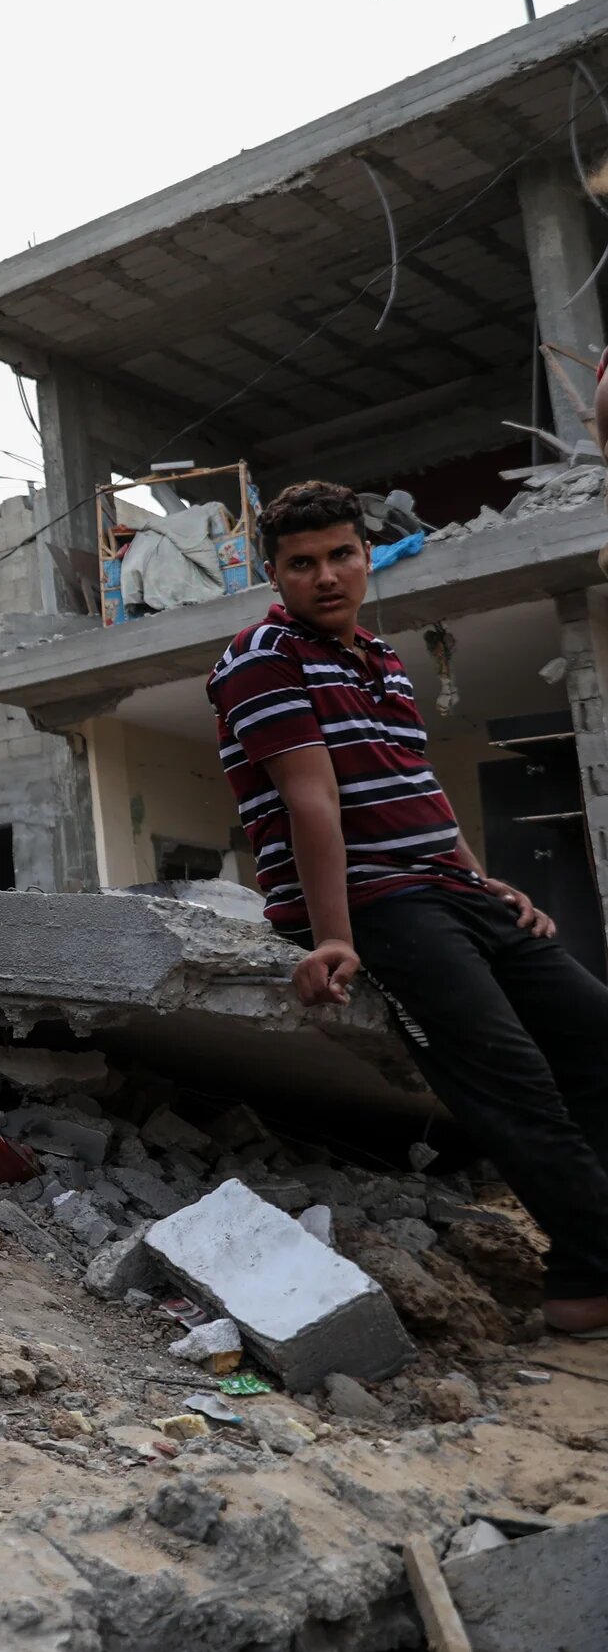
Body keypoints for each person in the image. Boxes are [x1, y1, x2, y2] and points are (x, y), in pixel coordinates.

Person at [205, 479, 608, 1339]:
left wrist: (482, 877)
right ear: (273, 573)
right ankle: (593, 1272)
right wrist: (336, 933)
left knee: (594, 1032)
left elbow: (418, 789)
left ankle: (584, 1270)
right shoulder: (260, 657)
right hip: (380, 901)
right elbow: (313, 801)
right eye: (302, 563)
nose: (326, 575)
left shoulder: (381, 657)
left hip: (447, 888)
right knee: (513, 1077)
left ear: (364, 554)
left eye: (342, 554)